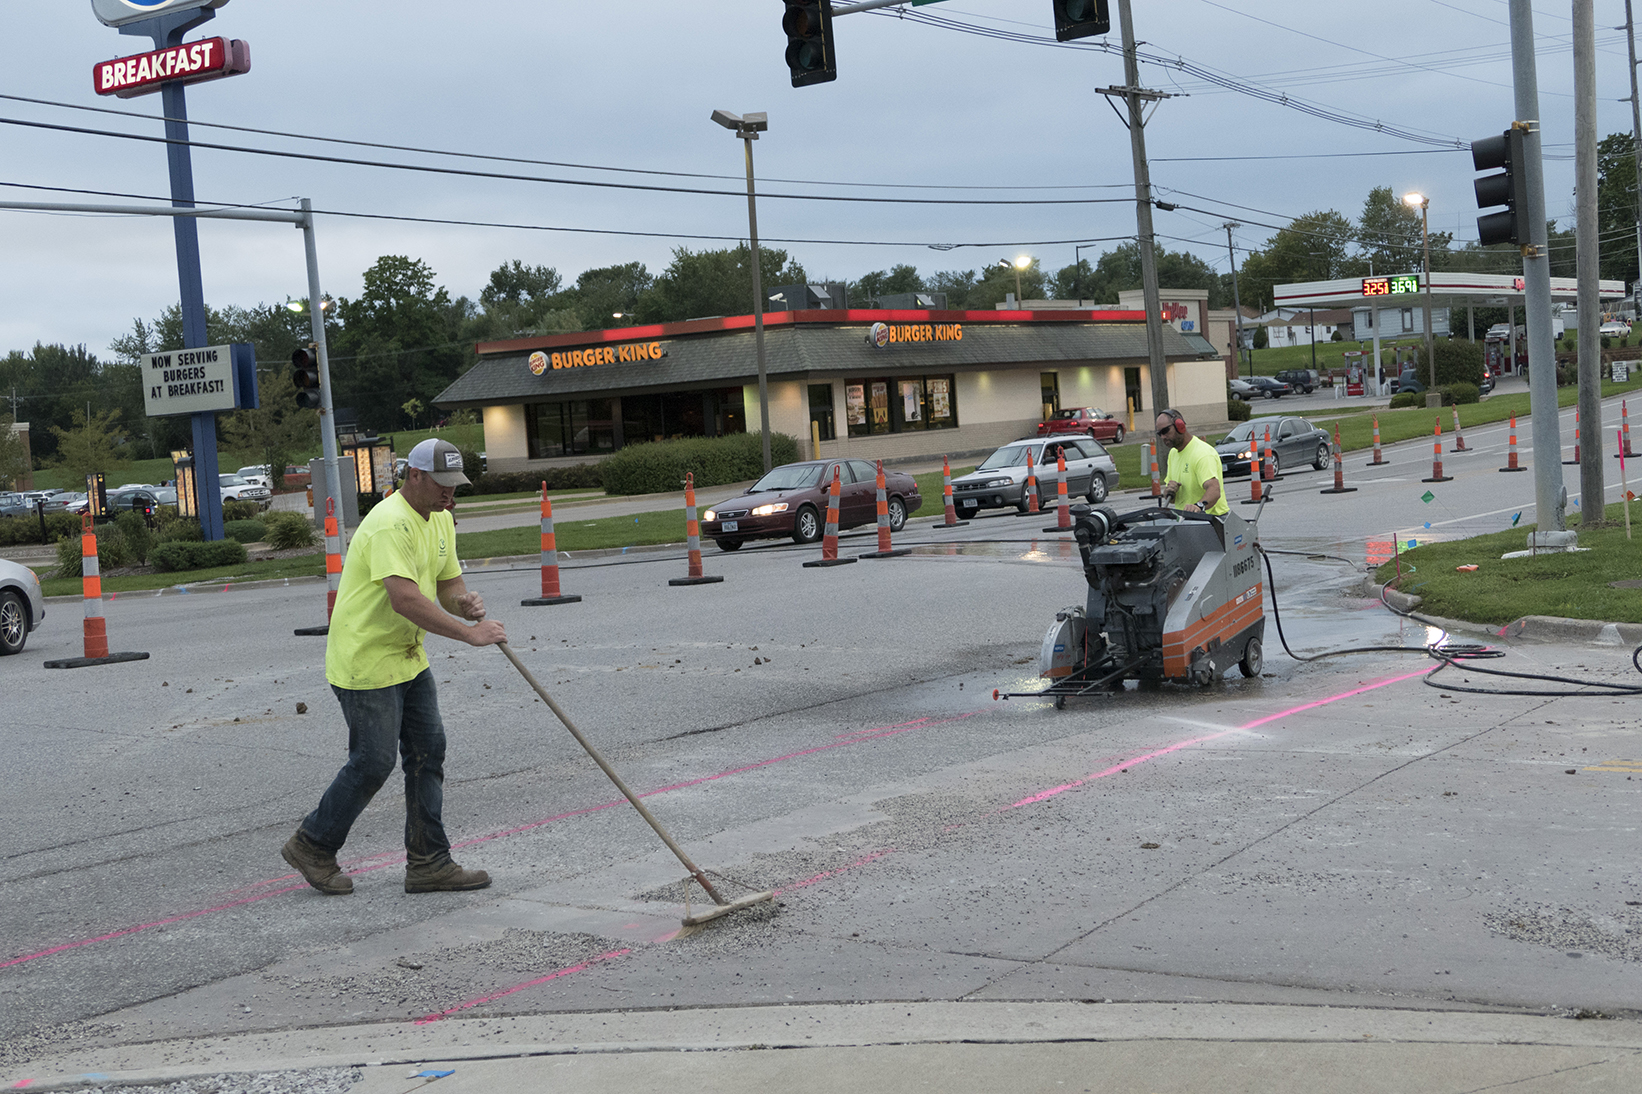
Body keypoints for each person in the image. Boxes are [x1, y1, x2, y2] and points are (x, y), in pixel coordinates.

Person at [282, 438, 506, 896]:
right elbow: (404, 599)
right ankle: (312, 844)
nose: (451, 494)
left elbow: (448, 584)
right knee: (373, 762)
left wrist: (464, 604)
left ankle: (429, 862)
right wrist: (469, 635)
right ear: (415, 476)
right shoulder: (389, 523)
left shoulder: (440, 519)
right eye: (442, 484)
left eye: (456, 485)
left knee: (428, 751)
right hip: (366, 657)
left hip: (406, 656)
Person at [1155, 409, 1228, 516]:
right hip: (1185, 520)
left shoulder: (1202, 454)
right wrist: (1169, 492)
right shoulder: (1173, 454)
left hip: (1212, 521)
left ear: (1180, 426)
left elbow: (1214, 489)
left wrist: (1198, 506)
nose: (1163, 437)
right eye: (1159, 433)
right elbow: (1173, 500)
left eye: (1165, 431)